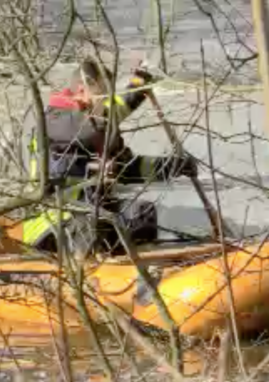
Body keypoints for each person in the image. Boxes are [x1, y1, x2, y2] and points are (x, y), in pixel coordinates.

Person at [21, 58, 198, 254]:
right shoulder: (54, 120)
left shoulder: (98, 132)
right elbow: (94, 124)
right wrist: (136, 90)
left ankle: (141, 273)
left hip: (93, 215)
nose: (108, 101)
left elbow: (127, 167)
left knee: (141, 213)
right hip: (53, 224)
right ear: (81, 91)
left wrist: (171, 167)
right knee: (93, 227)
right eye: (103, 95)